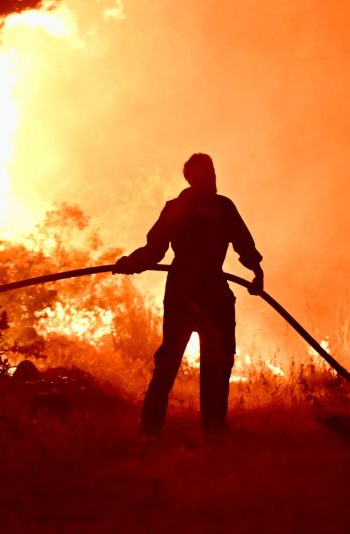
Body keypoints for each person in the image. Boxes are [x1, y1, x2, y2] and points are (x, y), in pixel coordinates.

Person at [113, 153, 263, 435]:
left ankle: (195, 428)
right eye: (208, 175)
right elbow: (155, 249)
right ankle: (163, 429)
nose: (214, 179)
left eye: (214, 173)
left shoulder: (207, 208)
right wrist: (129, 264)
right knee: (180, 363)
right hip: (196, 295)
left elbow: (243, 245)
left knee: (204, 363)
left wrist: (257, 272)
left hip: (198, 294)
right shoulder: (192, 208)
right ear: (193, 179)